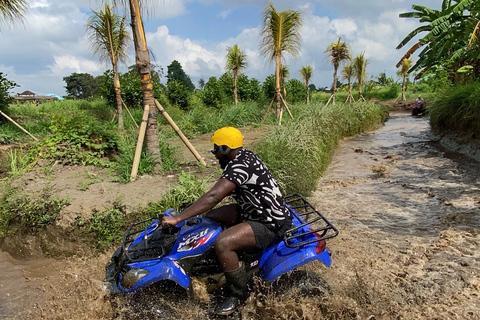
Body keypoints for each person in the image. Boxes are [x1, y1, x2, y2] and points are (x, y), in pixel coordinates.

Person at [162, 126, 293, 315]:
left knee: (223, 242)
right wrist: (190, 212)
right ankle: (220, 266)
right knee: (209, 216)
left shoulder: (240, 166)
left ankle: (238, 294)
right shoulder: (244, 156)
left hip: (269, 221)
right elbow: (212, 200)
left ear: (225, 149)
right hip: (254, 209)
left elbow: (214, 196)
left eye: (216, 149)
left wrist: (178, 218)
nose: (214, 154)